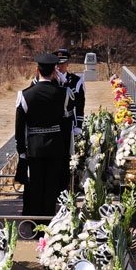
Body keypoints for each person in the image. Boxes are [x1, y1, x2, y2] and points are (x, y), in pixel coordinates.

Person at [15, 53, 67, 217]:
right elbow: (67, 120)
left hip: (34, 148)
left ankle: (35, 222)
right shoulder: (63, 93)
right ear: (54, 71)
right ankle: (48, 221)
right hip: (56, 147)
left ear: (37, 70)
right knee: (51, 186)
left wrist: (21, 150)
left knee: (35, 185)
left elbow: (19, 127)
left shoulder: (24, 95)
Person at [55, 48, 85, 191]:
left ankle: (66, 185)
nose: (59, 67)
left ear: (67, 64)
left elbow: (80, 105)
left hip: (69, 123)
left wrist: (79, 124)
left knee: (68, 156)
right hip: (54, 123)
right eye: (57, 64)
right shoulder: (50, 78)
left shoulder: (76, 81)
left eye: (62, 64)